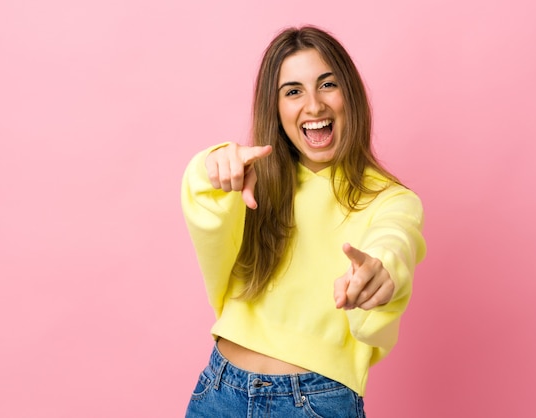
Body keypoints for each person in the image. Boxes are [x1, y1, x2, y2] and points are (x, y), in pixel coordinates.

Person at [181, 25, 426, 417]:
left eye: (327, 85)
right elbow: (206, 206)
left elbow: (394, 240)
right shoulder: (253, 180)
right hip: (219, 390)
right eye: (293, 92)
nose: (313, 106)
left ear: (351, 94)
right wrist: (211, 167)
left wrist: (381, 274)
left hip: (314, 402)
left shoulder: (391, 200)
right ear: (276, 110)